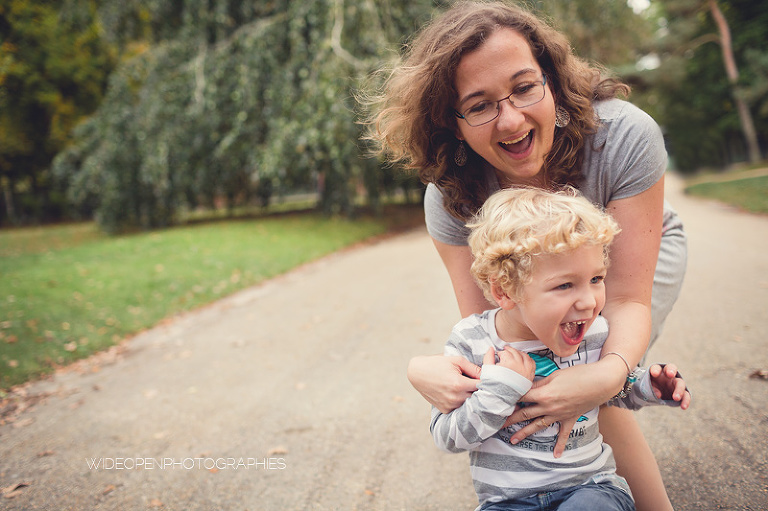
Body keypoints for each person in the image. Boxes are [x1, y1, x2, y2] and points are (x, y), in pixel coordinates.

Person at [364, 2, 688, 509]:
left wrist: (607, 377)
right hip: (542, 288)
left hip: (627, 256)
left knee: (595, 365)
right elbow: (497, 328)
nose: (511, 118)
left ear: (551, 81)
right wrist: (421, 368)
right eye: (479, 104)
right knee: (554, 359)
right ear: (451, 123)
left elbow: (624, 300)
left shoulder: (625, 136)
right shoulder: (451, 196)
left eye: (524, 87)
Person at [430, 187, 690, 511]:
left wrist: (649, 386)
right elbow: (447, 436)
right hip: (506, 502)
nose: (589, 301)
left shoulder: (595, 333)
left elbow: (611, 392)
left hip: (590, 487)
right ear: (505, 291)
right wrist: (497, 392)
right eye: (565, 285)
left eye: (597, 278)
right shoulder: (472, 341)